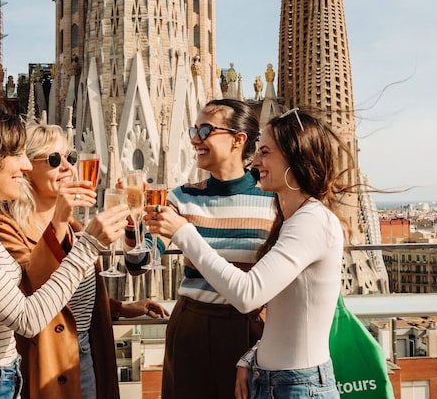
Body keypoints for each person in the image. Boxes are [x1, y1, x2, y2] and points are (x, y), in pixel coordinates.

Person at [0, 99, 129, 399]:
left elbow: (24, 285)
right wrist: (89, 244)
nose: (26, 165)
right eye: (16, 155)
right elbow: (28, 319)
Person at [146, 108, 347, 399]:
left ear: (294, 157)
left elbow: (248, 294)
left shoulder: (311, 221)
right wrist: (252, 357)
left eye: (265, 152)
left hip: (297, 386)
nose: (255, 162)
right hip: (273, 378)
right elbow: (282, 312)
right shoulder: (293, 219)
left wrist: (184, 233)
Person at [0, 123, 168, 399]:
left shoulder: (74, 225)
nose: (67, 167)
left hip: (87, 348)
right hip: (49, 358)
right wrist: (59, 218)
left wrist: (123, 308)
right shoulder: (6, 226)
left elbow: (71, 296)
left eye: (70, 158)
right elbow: (32, 290)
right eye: (53, 159)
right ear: (27, 168)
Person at [146, 99, 276, 399]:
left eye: (205, 130)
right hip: (192, 327)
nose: (195, 139)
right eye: (195, 130)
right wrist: (132, 236)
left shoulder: (272, 198)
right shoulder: (183, 196)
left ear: (238, 139)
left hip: (251, 327)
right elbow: (144, 259)